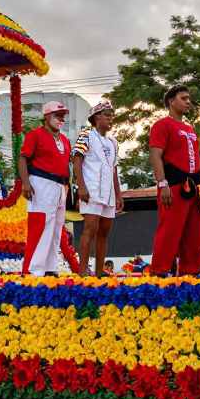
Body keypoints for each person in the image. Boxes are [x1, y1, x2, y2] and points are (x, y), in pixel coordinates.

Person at [148, 85, 200, 276]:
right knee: (170, 230)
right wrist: (162, 184)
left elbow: (196, 158)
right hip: (173, 185)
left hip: (194, 186)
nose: (188, 102)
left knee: (195, 231)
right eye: (183, 98)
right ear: (171, 102)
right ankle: (160, 270)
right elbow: (156, 156)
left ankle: (189, 271)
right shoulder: (162, 125)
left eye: (189, 99)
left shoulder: (190, 128)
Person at [19, 101, 72, 276]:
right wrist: (25, 183)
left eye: (63, 116)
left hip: (60, 185)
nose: (61, 119)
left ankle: (50, 268)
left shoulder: (65, 140)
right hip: (41, 182)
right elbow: (23, 159)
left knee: (56, 228)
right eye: (58, 116)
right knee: (40, 225)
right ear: (47, 116)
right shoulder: (35, 135)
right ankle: (33, 270)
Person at [72, 99, 123, 277]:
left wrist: (118, 194)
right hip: (91, 189)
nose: (110, 119)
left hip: (108, 193)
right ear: (97, 118)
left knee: (104, 231)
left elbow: (114, 169)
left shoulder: (114, 142)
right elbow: (76, 161)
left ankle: (100, 271)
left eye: (111, 116)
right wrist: (81, 187)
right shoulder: (86, 136)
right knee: (90, 228)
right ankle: (82, 271)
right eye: (107, 116)